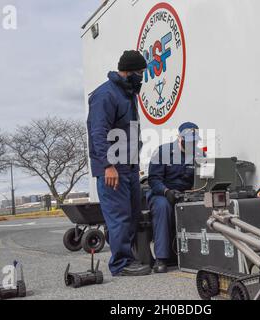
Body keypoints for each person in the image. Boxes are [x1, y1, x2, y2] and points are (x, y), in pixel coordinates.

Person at [87, 50, 151, 276]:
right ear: (129, 71)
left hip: (129, 167)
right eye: (141, 72)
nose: (142, 77)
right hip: (113, 168)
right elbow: (98, 132)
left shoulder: (128, 93)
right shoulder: (105, 95)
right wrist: (108, 165)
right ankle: (121, 265)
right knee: (119, 217)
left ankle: (130, 258)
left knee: (132, 215)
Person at [147, 122, 203, 273]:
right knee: (163, 206)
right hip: (162, 194)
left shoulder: (199, 154)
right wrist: (166, 191)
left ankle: (201, 255)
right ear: (180, 138)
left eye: (195, 141)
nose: (192, 144)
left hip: (187, 193)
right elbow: (153, 180)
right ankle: (161, 258)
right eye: (189, 141)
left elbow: (204, 179)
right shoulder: (162, 151)